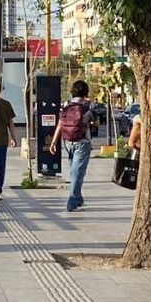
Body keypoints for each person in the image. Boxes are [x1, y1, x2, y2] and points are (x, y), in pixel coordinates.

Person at [49, 80, 98, 212]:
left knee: (74, 172)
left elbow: (60, 124)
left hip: (67, 142)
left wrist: (53, 142)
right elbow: (96, 123)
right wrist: (90, 123)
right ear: (85, 92)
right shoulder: (88, 106)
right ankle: (72, 202)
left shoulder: (66, 105)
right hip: (82, 142)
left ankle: (79, 199)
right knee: (77, 173)